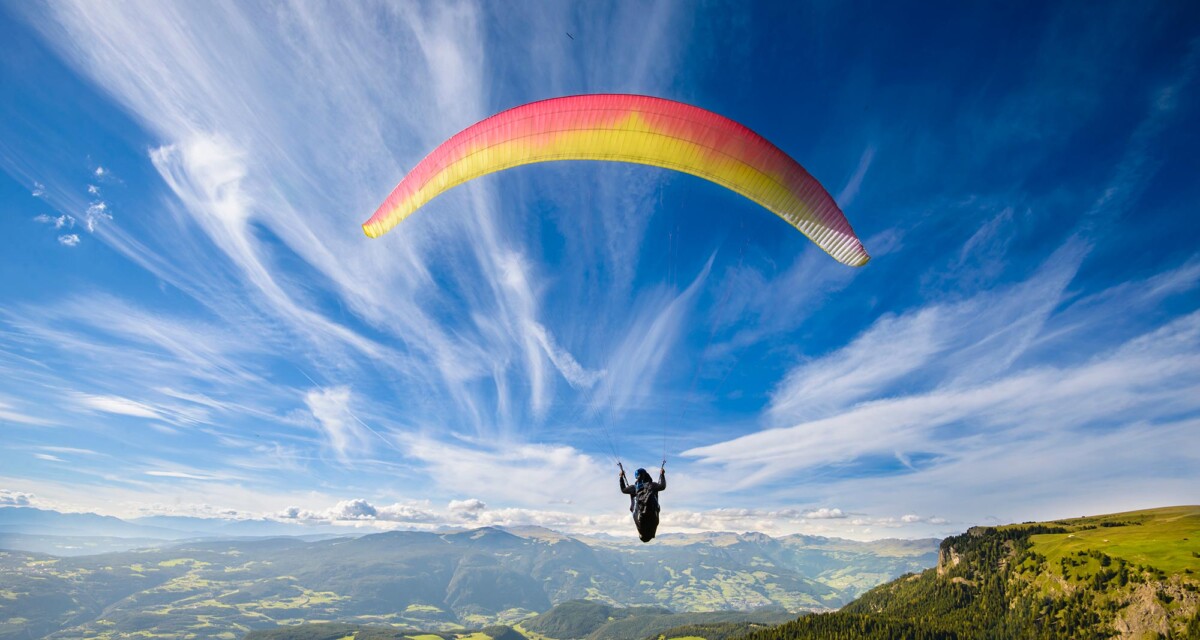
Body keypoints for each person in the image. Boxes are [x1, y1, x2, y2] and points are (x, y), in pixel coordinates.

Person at [619, 464, 666, 542]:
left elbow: (623, 490)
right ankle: (647, 535)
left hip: (642, 517)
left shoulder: (634, 488)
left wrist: (621, 477)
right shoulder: (652, 485)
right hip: (651, 515)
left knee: (642, 523)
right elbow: (662, 486)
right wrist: (662, 475)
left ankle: (644, 535)